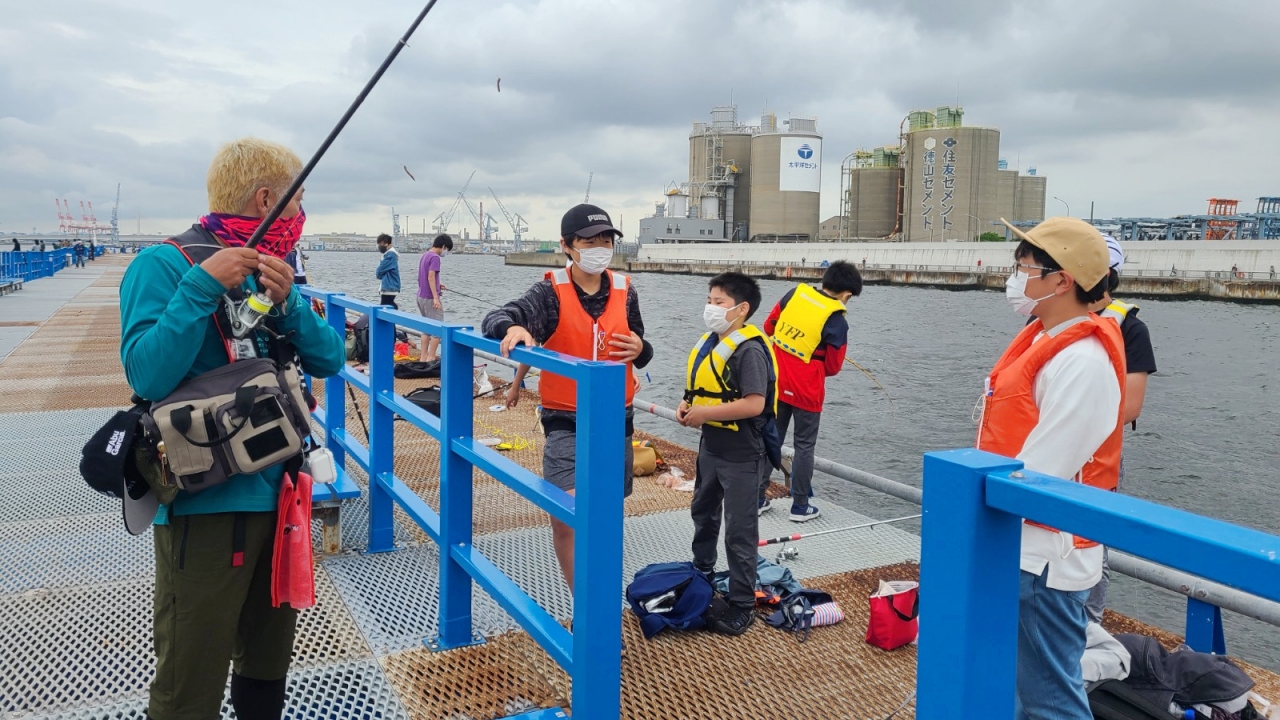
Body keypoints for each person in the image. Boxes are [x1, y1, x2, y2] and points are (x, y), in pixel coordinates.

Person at [118, 137, 346, 719]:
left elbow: (330, 359)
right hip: (205, 502)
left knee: (269, 661)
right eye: (298, 203)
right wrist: (202, 285)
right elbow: (147, 372)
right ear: (269, 197)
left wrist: (289, 302)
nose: (300, 216)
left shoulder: (273, 268)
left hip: (284, 493)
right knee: (191, 672)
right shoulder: (162, 264)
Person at [978, 217, 1125, 720]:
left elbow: (1046, 469)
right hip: (1021, 547)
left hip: (1048, 557)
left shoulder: (1082, 359)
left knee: (1051, 700)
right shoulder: (1045, 339)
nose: (1015, 278)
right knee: (1021, 688)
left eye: (1024, 268)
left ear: (1062, 280)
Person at [483, 203, 652, 593]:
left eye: (606, 240)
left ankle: (603, 599)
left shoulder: (626, 292)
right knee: (569, 515)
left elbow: (643, 349)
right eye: (589, 240)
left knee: (607, 518)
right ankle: (586, 606)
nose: (599, 247)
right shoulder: (549, 292)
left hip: (616, 422)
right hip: (567, 423)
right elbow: (499, 316)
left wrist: (640, 347)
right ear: (567, 246)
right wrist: (514, 330)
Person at [678, 271, 777, 636]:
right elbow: (702, 388)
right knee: (703, 511)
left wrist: (705, 414)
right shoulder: (710, 341)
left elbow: (754, 404)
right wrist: (687, 405)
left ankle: (741, 603)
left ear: (741, 308)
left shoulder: (749, 350)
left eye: (718, 303)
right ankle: (702, 571)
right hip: (711, 447)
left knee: (740, 529)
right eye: (709, 300)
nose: (710, 308)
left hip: (743, 453)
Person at [1081, 236, 1156, 624]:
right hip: (1038, 448)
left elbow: (1130, 406)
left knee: (1092, 546)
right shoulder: (1043, 318)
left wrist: (1069, 423)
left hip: (1097, 455)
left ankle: (1087, 628)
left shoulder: (1131, 329)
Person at [760, 260, 861, 521]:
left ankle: (758, 497)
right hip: (807, 390)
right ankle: (800, 506)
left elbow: (769, 327)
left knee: (772, 437)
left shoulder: (796, 293)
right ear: (847, 295)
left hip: (777, 381)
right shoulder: (837, 319)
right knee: (804, 446)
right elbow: (834, 366)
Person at [417, 234, 453, 362]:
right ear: (443, 246)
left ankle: (423, 357)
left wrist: (438, 284)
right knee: (438, 329)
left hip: (420, 296)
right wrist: (436, 297)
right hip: (430, 298)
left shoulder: (425, 255)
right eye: (447, 249)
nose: (446, 252)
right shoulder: (435, 258)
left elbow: (423, 276)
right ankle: (431, 357)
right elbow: (430, 276)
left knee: (426, 329)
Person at [375, 233, 400, 308]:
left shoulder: (390, 255)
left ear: (389, 244)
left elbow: (380, 270)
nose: (380, 246)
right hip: (389, 286)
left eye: (383, 244)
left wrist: (379, 274)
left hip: (389, 286)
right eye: (379, 244)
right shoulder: (388, 254)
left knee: (385, 306)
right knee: (388, 305)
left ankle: (396, 318)